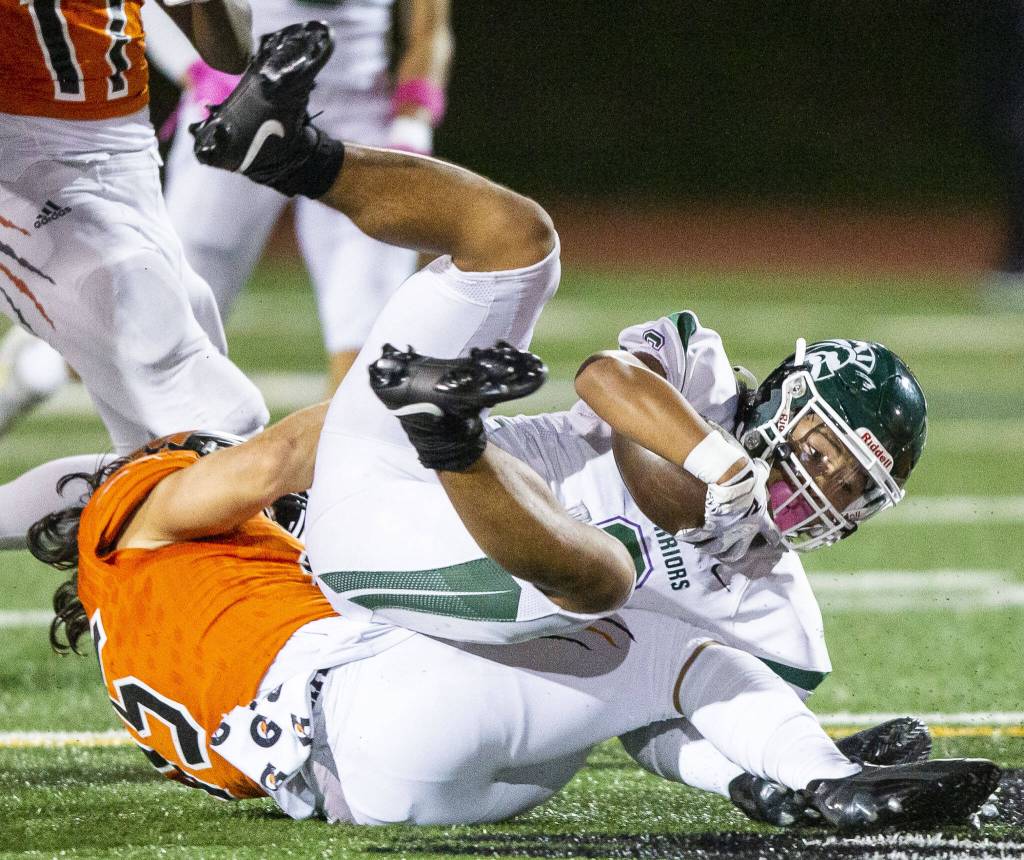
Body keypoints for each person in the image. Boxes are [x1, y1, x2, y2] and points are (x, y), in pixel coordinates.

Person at [28, 25, 999, 831]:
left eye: (849, 486)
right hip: (380, 648)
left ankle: (307, 174)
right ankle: (441, 417)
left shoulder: (780, 613)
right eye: (823, 452)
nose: (821, 486)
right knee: (612, 586)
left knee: (521, 263)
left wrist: (752, 765)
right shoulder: (700, 381)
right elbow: (602, 383)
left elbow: (641, 706)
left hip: (394, 684)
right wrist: (713, 458)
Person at [0, 0, 453, 424]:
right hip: (241, 104)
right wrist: (199, 71)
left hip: (358, 118)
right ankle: (36, 367)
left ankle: (325, 481)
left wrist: (410, 129)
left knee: (369, 357)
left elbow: (429, 32)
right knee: (156, 324)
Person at [0, 0, 269, 546]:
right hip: (23, 172)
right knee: (220, 418)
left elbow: (232, 52)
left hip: (128, 160)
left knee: (157, 462)